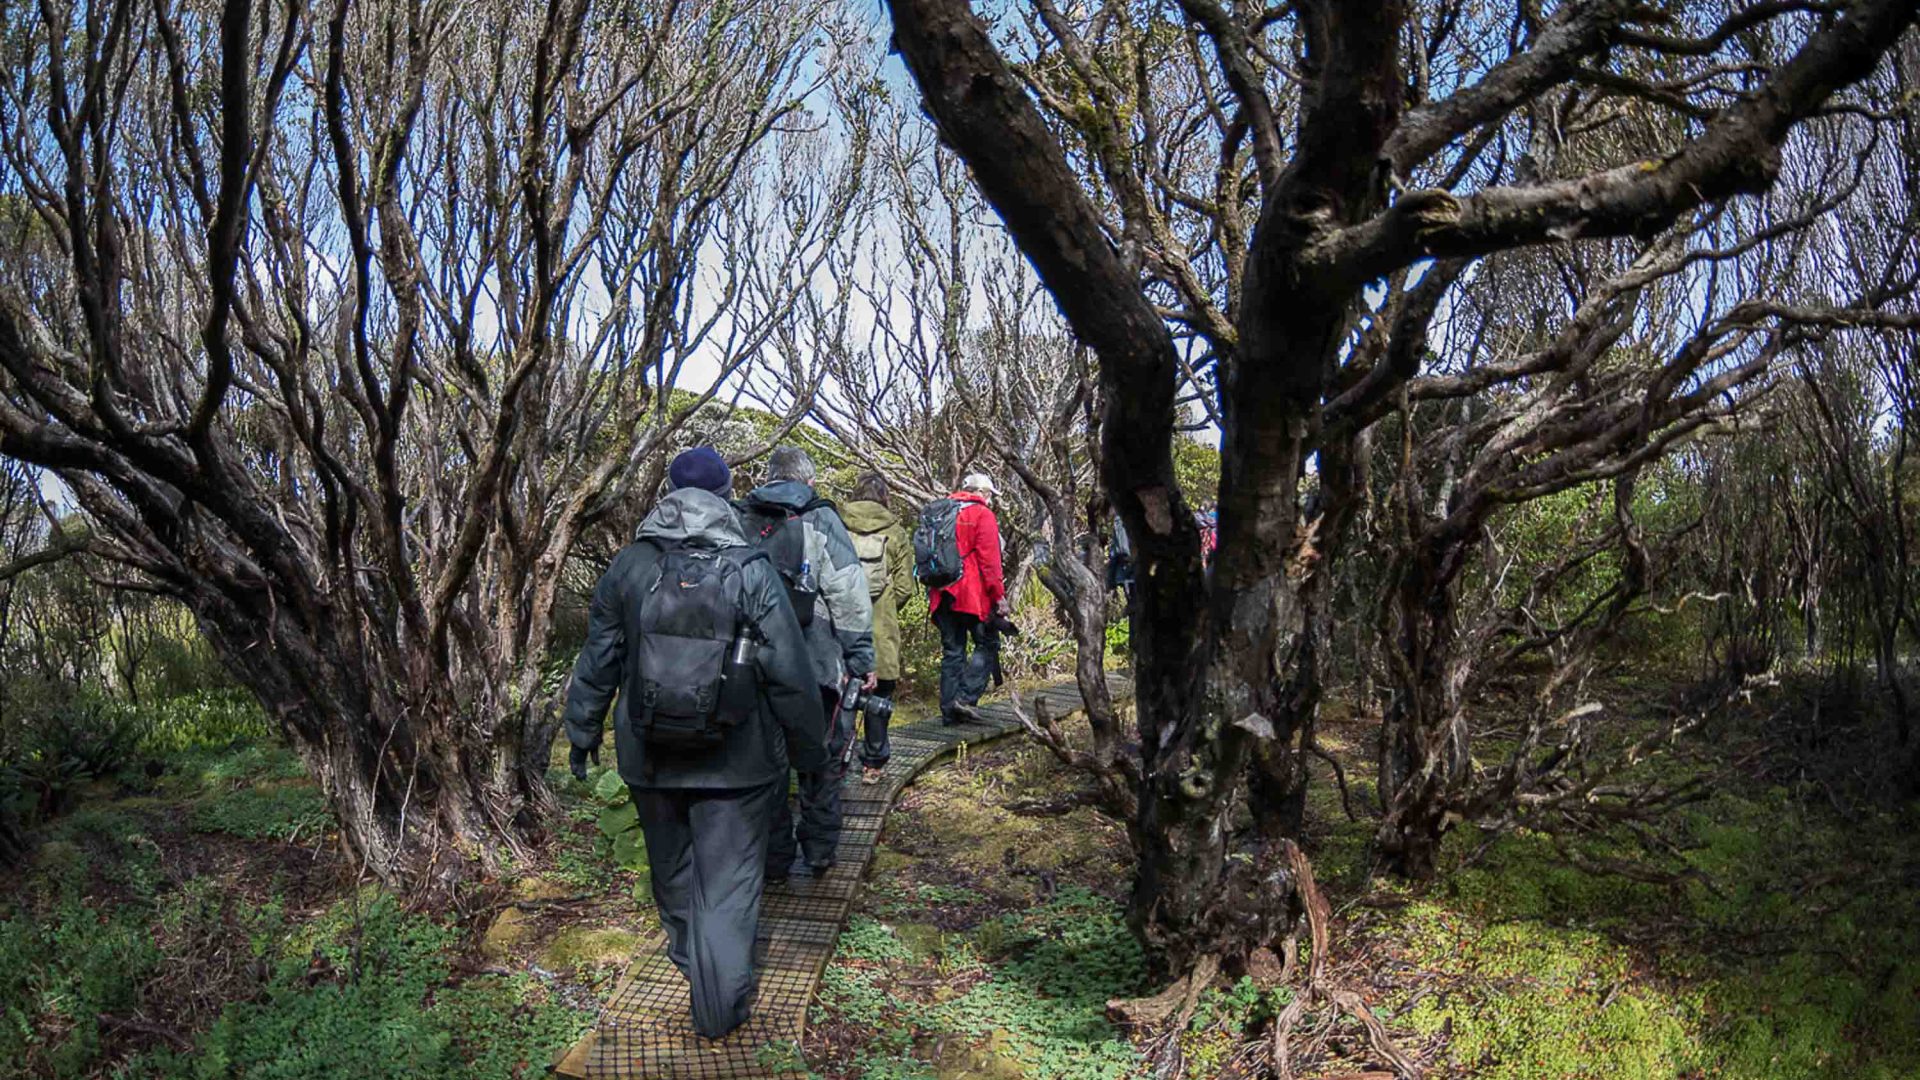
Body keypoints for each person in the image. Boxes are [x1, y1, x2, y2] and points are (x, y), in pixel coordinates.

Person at [563, 446, 828, 1040]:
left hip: (649, 756)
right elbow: (789, 673)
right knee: (728, 886)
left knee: (674, 875)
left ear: (668, 492)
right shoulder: (750, 566)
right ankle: (718, 1005)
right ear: (726, 493)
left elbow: (599, 658)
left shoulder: (630, 565)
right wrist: (810, 757)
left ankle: (695, 968)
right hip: (738, 763)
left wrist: (581, 733)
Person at [736, 447, 875, 879]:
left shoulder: (741, 514)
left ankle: (774, 858)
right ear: (809, 481)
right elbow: (848, 594)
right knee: (824, 755)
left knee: (767, 761)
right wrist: (860, 655)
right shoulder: (820, 517)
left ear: (770, 476)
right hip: (817, 658)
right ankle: (818, 848)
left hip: (755, 658)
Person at [840, 472, 914, 785]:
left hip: (841, 629)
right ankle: (873, 764)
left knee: (841, 698)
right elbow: (904, 587)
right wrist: (883, 607)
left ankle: (836, 761)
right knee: (879, 696)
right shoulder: (896, 533)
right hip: (879, 629)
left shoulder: (838, 526)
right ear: (885, 497)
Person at [928, 472, 1005, 724]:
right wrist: (999, 596)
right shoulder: (982, 515)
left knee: (953, 651)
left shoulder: (941, 511)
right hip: (971, 594)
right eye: (990, 494)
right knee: (989, 643)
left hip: (941, 593)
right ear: (981, 492)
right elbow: (990, 562)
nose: (990, 500)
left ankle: (950, 713)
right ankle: (965, 698)